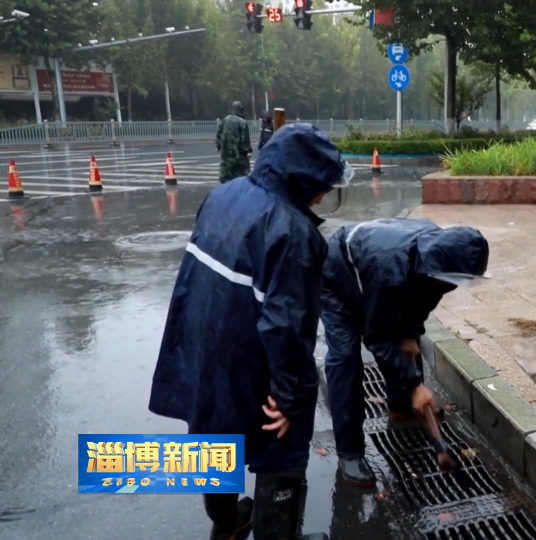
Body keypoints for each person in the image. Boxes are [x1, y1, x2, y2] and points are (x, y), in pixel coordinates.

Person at [148, 123, 354, 540]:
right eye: (323, 186)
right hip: (250, 363)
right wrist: (292, 396)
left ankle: (227, 521)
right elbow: (287, 327)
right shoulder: (294, 232)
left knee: (211, 437)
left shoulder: (223, 194)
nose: (322, 195)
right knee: (282, 449)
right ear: (305, 181)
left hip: (199, 348)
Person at [320, 218, 490, 487]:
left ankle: (403, 406)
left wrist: (411, 333)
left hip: (376, 270)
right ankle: (350, 451)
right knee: (346, 360)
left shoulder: (439, 260)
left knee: (406, 343)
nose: (452, 286)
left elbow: (418, 306)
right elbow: (378, 337)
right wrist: (415, 384)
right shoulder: (390, 270)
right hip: (339, 275)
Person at [215, 101, 252, 184]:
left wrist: (218, 147)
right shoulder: (242, 122)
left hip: (226, 155)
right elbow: (244, 139)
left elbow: (219, 135)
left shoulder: (224, 120)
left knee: (226, 179)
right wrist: (248, 151)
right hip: (239, 156)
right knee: (242, 178)